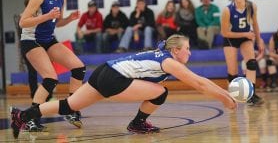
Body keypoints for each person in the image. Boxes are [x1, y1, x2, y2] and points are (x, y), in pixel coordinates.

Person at [10, 34, 237, 139]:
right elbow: (198, 82)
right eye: (187, 48)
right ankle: (137, 124)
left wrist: (224, 92)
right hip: (114, 78)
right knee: (161, 92)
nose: (190, 52)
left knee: (69, 106)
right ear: (176, 50)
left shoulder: (164, 56)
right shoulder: (169, 61)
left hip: (103, 71)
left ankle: (22, 115)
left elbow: (199, 80)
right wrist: (224, 97)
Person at [18, 0, 86, 131]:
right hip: (31, 40)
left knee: (79, 68)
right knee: (51, 79)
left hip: (48, 39)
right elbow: (23, 22)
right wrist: (47, 16)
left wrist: (69, 19)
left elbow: (56, 22)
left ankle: (71, 109)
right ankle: (29, 118)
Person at [221, 0, 265, 106]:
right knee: (233, 71)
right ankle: (232, 96)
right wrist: (245, 34)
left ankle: (251, 95)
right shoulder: (227, 10)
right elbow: (224, 33)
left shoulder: (252, 6)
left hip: (246, 37)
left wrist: (259, 40)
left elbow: (255, 24)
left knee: (251, 63)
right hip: (231, 38)